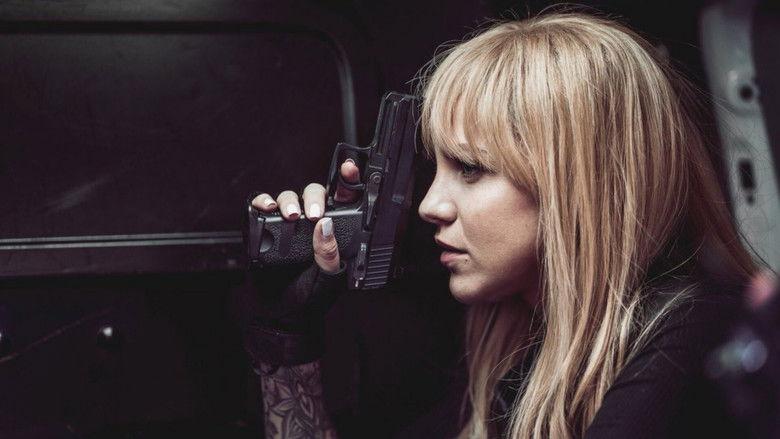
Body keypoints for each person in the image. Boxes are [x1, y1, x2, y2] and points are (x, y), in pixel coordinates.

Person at [243, 11, 767, 439]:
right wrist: (287, 340)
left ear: (577, 185)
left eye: (471, 168)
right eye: (437, 167)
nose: (429, 205)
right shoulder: (515, 346)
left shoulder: (692, 334)